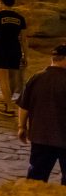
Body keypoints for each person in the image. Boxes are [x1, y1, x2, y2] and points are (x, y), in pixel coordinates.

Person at [17, 44, 66, 184]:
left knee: (35, 179)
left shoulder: (36, 78)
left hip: (40, 137)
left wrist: (21, 127)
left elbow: (23, 106)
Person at [0, 0, 29, 117]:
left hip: (2, 50)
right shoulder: (20, 18)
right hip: (15, 50)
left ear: (1, 2)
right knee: (13, 78)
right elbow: (24, 39)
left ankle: (9, 108)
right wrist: (25, 56)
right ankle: (8, 101)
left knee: (3, 80)